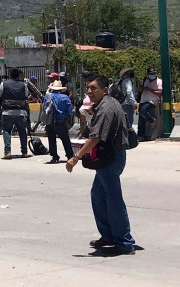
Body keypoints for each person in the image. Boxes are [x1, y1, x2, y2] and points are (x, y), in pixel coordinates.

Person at [66, 75, 134, 255]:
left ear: (105, 90)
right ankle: (109, 235)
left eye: (93, 88)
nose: (89, 91)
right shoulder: (107, 104)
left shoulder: (106, 108)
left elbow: (95, 138)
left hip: (110, 159)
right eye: (88, 88)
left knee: (113, 200)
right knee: (98, 195)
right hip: (109, 157)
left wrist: (76, 157)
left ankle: (124, 242)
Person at [0, 68, 30, 159]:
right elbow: (26, 95)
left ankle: (7, 152)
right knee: (22, 131)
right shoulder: (23, 85)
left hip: (7, 112)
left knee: (7, 131)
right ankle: (24, 152)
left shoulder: (4, 84)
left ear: (10, 75)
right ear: (18, 75)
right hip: (21, 112)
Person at [43, 80, 75, 164]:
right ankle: (69, 156)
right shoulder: (65, 97)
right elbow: (69, 110)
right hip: (60, 121)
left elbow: (44, 107)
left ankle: (54, 156)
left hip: (50, 121)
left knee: (51, 139)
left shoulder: (47, 96)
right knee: (65, 139)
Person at [137, 67, 162, 141]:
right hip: (143, 100)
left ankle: (152, 120)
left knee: (143, 110)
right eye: (151, 74)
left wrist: (149, 90)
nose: (152, 75)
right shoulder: (145, 80)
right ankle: (140, 136)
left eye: (153, 73)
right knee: (141, 118)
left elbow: (160, 93)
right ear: (148, 74)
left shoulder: (159, 81)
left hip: (152, 100)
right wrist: (141, 88)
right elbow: (139, 90)